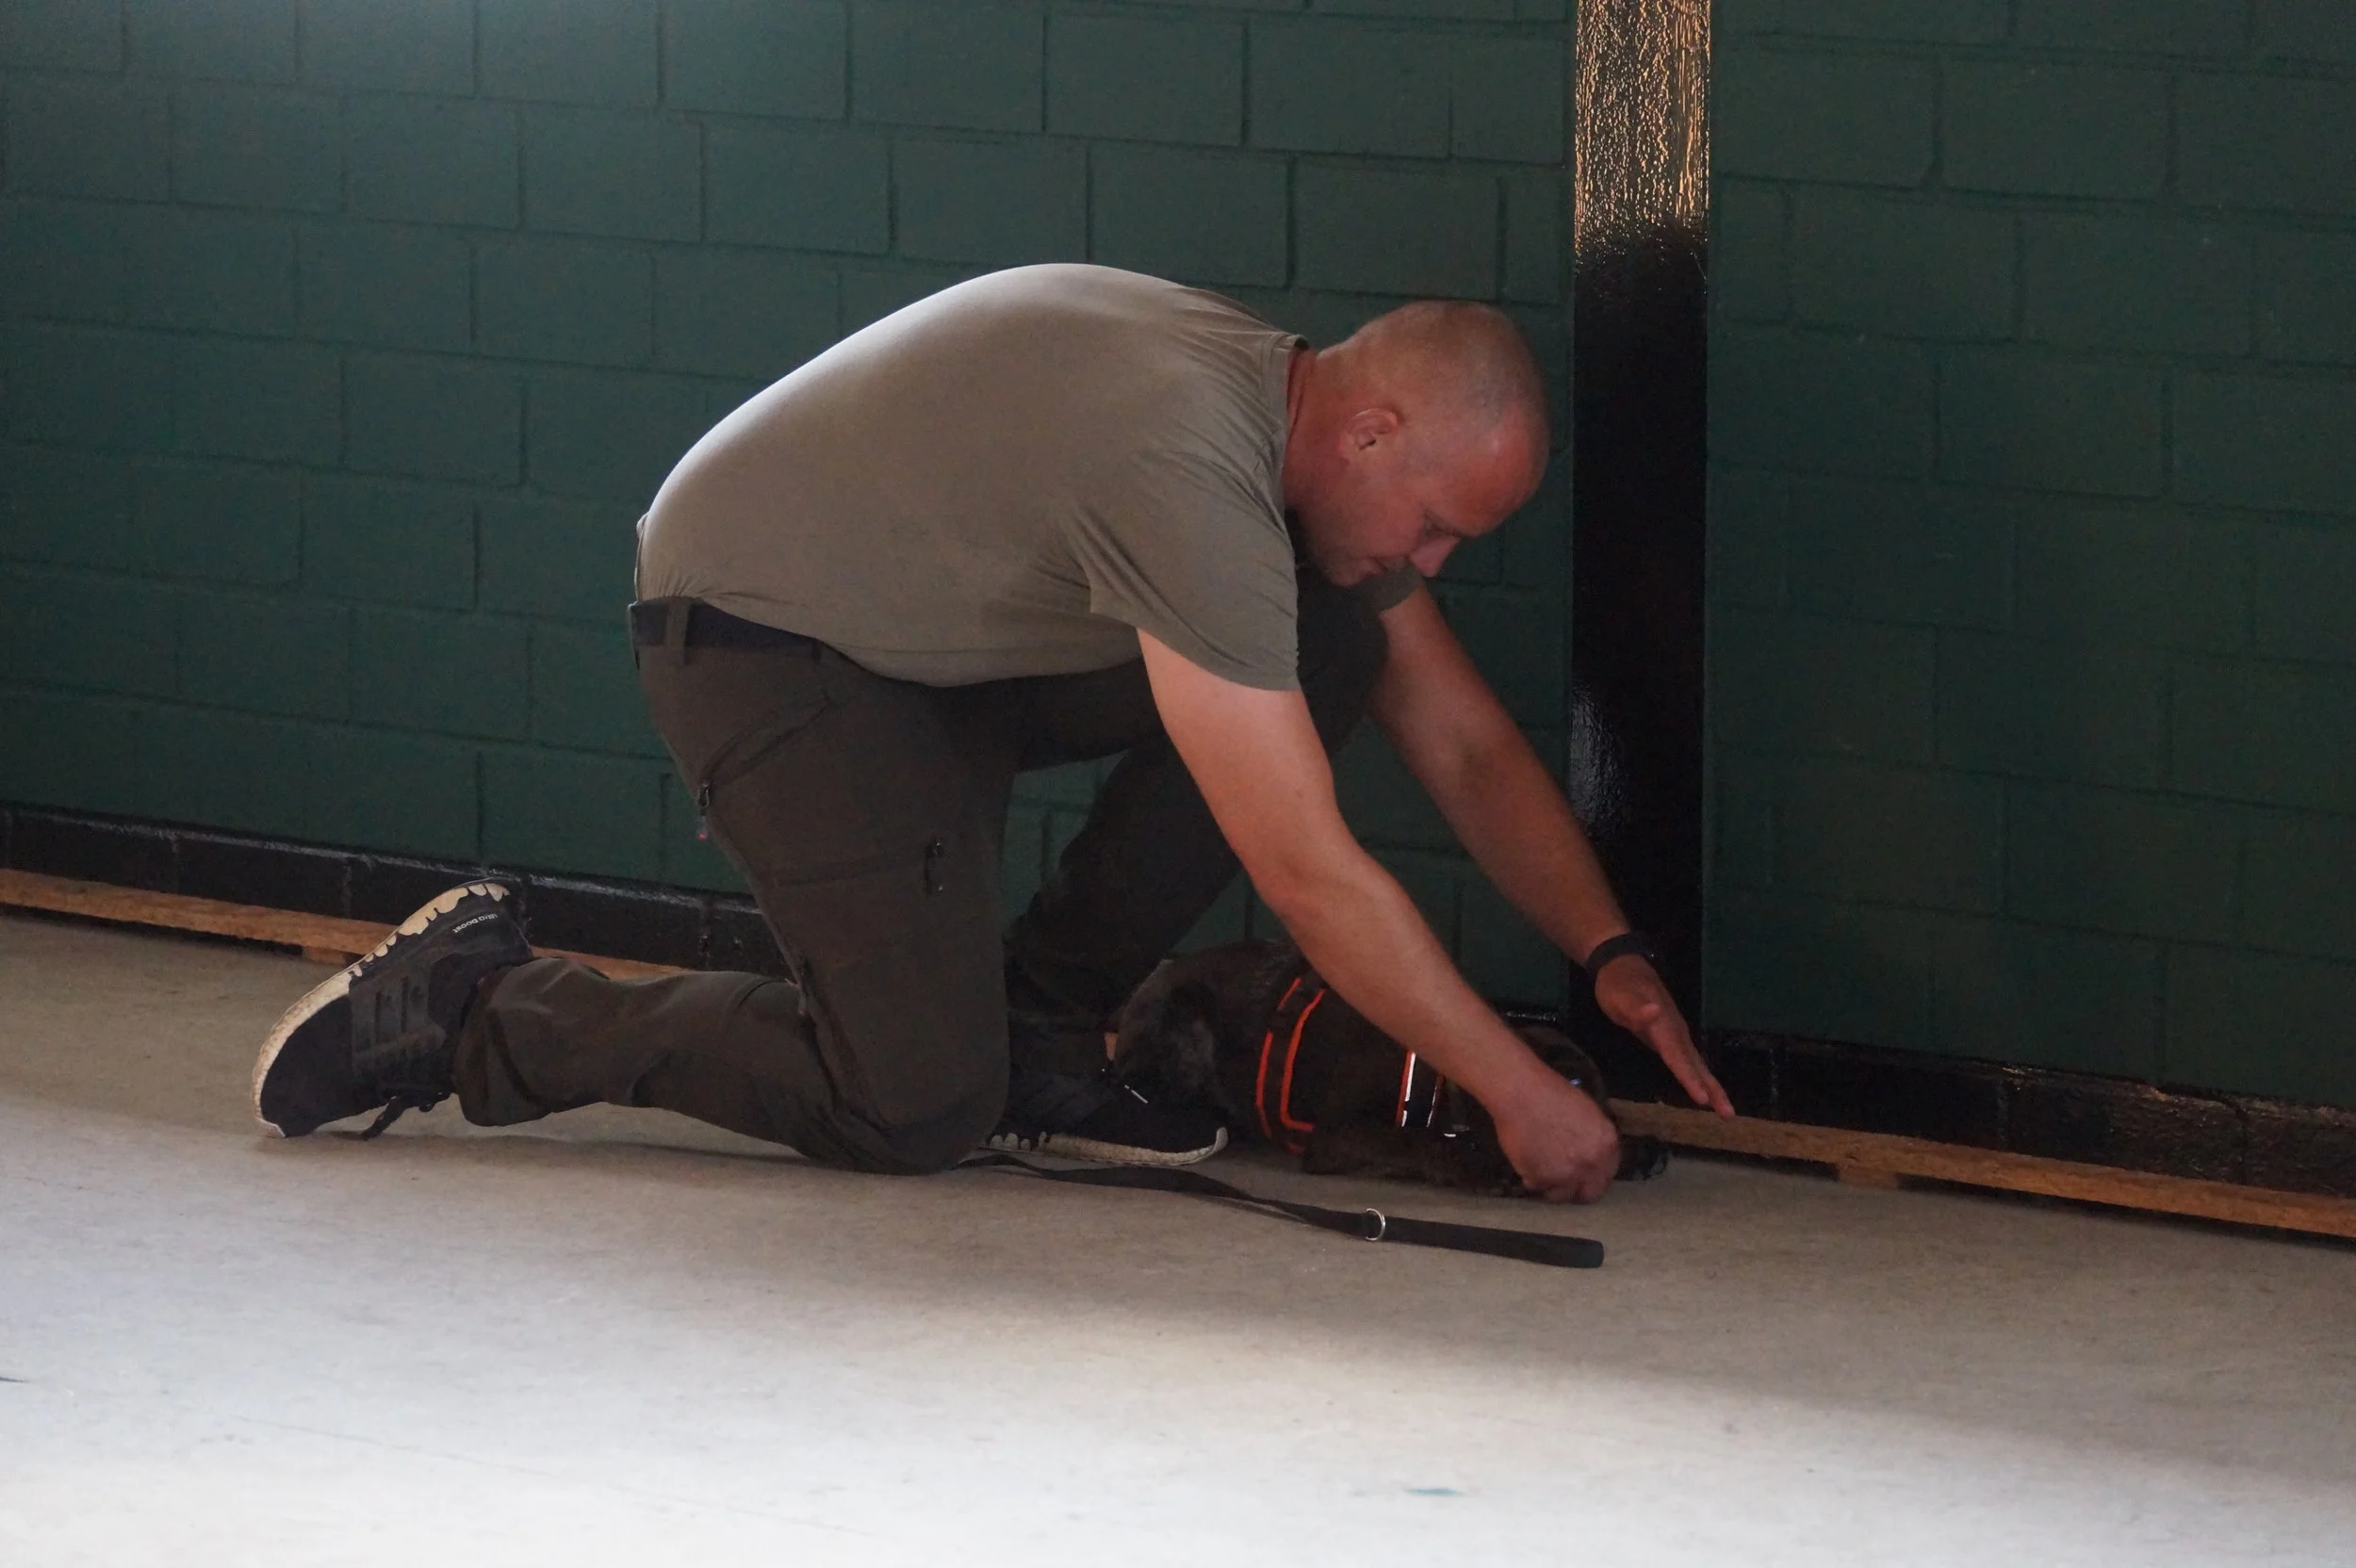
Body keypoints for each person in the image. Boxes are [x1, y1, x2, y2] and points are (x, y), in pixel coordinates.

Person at [252, 264, 1731, 1204]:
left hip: (918, 643)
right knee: (910, 1106)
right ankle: (478, 1006)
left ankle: (1037, 1035)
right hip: (765, 643)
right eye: (1438, 524)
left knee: (1335, 633)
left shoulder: (1271, 430)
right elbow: (1305, 869)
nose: (1434, 562)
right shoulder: (1187, 461)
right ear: (1371, 434)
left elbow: (1463, 744)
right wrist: (1515, 1092)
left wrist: (1607, 952)